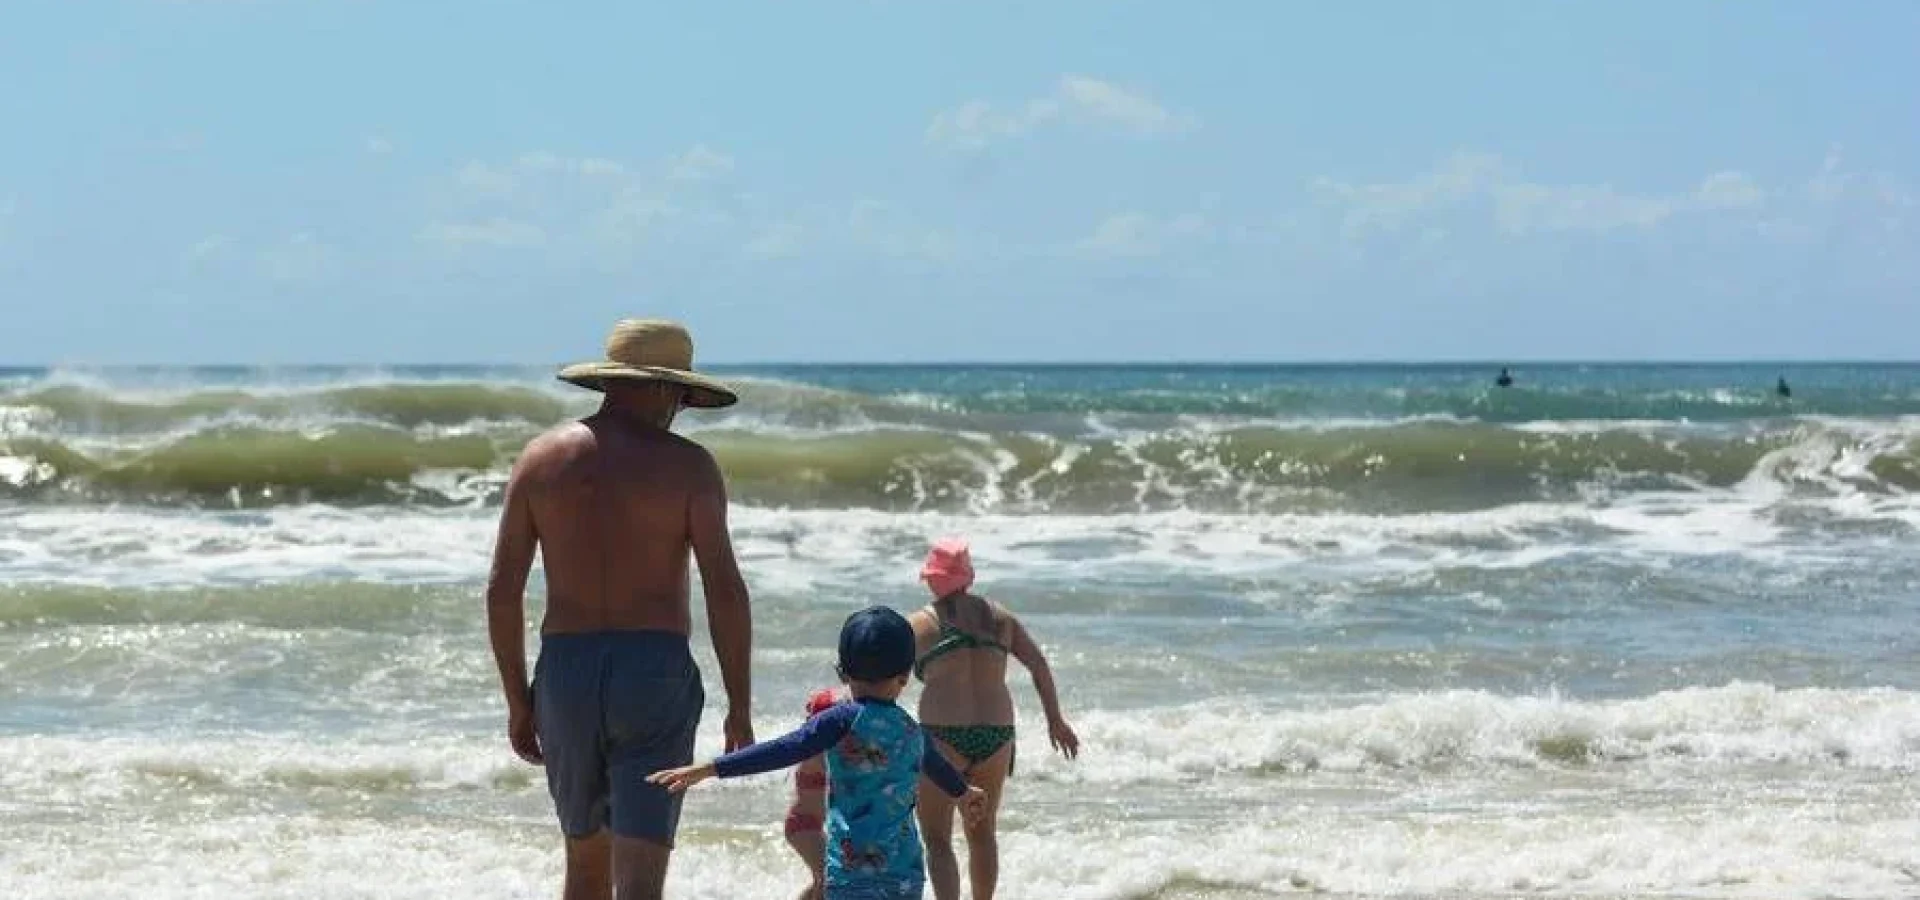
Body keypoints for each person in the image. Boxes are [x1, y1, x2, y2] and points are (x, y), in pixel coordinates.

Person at [485, 318, 756, 900]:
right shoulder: (689, 466)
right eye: (680, 395)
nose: (680, 409)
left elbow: (503, 590)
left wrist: (518, 700)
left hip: (566, 674)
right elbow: (724, 589)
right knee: (640, 880)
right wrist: (739, 704)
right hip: (652, 673)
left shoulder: (539, 459)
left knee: (584, 869)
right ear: (661, 387)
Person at [650, 606, 989, 900]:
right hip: (905, 875)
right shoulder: (912, 729)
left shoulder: (841, 720)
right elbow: (937, 767)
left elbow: (784, 749)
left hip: (851, 873)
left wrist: (711, 768)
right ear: (905, 677)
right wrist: (964, 792)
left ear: (842, 672)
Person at [907, 538, 1080, 900]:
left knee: (937, 838)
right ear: (967, 576)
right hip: (997, 735)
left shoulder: (920, 625)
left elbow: (887, 679)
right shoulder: (1001, 619)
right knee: (982, 832)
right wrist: (1055, 719)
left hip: (941, 735)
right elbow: (1038, 664)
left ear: (933, 579)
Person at [785, 687, 844, 900]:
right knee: (827, 877)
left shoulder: (822, 748)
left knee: (822, 878)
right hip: (802, 826)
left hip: (812, 826)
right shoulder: (816, 751)